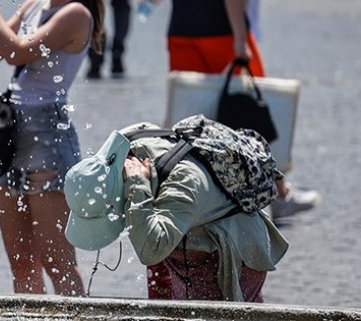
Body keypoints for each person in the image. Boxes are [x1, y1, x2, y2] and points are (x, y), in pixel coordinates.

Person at [139, 0, 319, 219]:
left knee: (189, 118)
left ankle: (183, 192)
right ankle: (276, 193)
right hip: (222, 31)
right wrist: (240, 38)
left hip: (182, 30)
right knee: (256, 112)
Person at [0, 0, 105, 295]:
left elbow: (17, 51)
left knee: (59, 264)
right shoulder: (33, 5)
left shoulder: (76, 15)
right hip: (10, 129)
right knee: (22, 264)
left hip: (47, 134)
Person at [64, 127, 289, 301]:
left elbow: (151, 250)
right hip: (184, 239)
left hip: (228, 254)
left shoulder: (182, 183)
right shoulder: (123, 148)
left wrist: (138, 187)